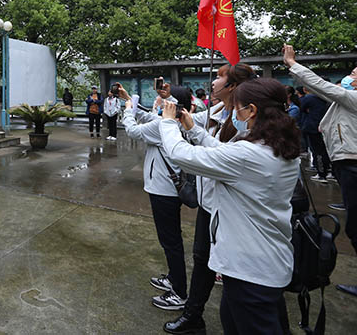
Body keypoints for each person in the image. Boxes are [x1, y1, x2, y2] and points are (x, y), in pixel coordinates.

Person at [159, 78, 300, 334]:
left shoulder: (249, 154)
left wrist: (167, 122)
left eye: (237, 107)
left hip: (250, 270)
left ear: (252, 110)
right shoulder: (278, 146)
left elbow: (181, 154)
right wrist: (194, 130)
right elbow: (225, 154)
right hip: (266, 263)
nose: (234, 113)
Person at [162, 63, 256, 334]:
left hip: (229, 208)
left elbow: (213, 155)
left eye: (219, 77)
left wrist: (170, 123)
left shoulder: (246, 125)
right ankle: (193, 315)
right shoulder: (215, 111)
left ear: (233, 86)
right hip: (208, 203)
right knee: (202, 259)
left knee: (233, 272)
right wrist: (173, 105)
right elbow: (196, 127)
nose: (213, 82)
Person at [284, 44, 357, 298]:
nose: (348, 77)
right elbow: (318, 89)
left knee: (355, 227)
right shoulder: (346, 100)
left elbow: (322, 86)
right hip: (346, 164)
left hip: (352, 164)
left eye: (354, 74)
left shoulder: (352, 98)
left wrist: (292, 64)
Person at [119, 83, 193, 311]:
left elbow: (133, 131)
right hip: (170, 188)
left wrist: (128, 109)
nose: (160, 100)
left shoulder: (162, 125)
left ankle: (179, 293)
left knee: (170, 241)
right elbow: (148, 116)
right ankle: (173, 278)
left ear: (172, 104)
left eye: (164, 98)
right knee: (172, 239)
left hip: (163, 191)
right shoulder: (175, 121)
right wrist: (129, 98)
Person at [299, 84, 333, 182]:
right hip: (326, 126)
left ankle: (321, 174)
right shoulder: (327, 97)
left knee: (317, 151)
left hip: (313, 127)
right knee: (326, 150)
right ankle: (329, 171)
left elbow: (302, 108)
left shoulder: (309, 98)